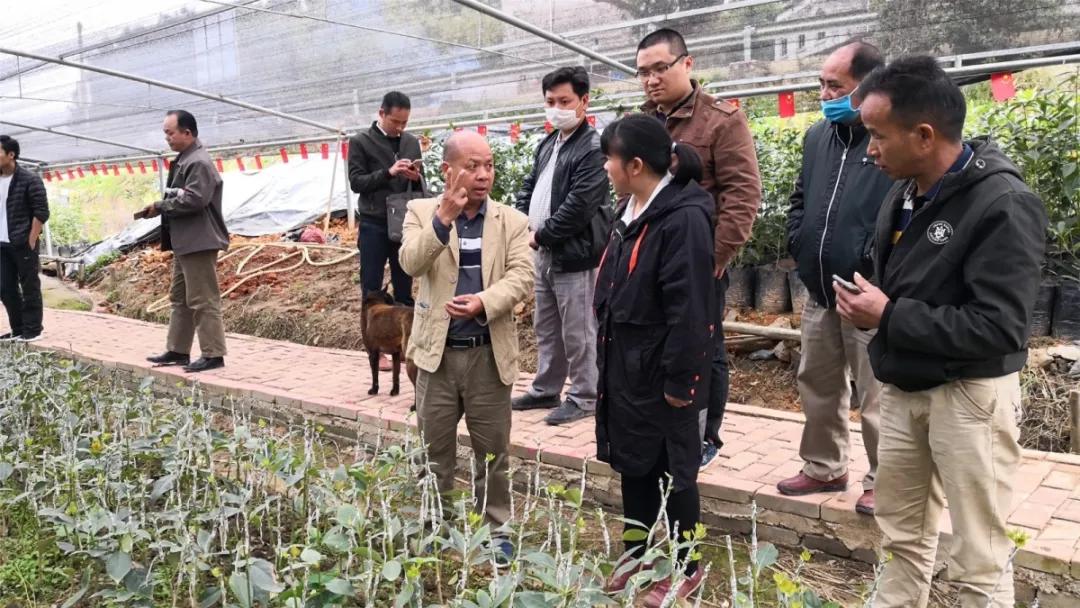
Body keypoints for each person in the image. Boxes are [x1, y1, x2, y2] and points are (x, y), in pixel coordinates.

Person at [840, 56, 1047, 607]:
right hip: (907, 387)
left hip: (968, 398)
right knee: (902, 536)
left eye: (878, 135)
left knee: (977, 550)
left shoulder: (1003, 204)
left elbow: (1001, 328)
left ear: (924, 134)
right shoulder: (905, 191)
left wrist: (887, 316)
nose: (870, 150)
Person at [594, 115, 715, 606]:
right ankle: (637, 554)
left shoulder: (682, 219)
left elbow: (690, 308)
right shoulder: (631, 210)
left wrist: (680, 380)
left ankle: (687, 567)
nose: (605, 167)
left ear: (635, 164)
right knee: (634, 463)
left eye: (609, 158)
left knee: (675, 471)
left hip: (663, 372)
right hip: (627, 366)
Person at [399, 131, 533, 559]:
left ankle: (495, 531)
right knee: (434, 451)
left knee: (492, 453)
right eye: (472, 166)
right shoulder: (421, 211)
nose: (483, 175)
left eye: (488, 165)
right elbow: (410, 263)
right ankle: (436, 526)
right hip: (437, 357)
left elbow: (522, 276)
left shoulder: (511, 220)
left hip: (488, 355)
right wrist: (443, 219)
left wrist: (483, 302)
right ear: (448, 171)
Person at [636, 28, 761, 465]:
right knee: (659, 340)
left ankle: (706, 434)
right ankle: (664, 420)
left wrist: (716, 259)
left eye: (659, 68)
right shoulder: (644, 121)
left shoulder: (721, 120)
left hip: (697, 261)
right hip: (649, 260)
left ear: (686, 64)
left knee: (705, 346)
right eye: (643, 72)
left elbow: (742, 195)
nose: (651, 79)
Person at [778, 42, 891, 516]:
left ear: (867, 87)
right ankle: (825, 467)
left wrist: (872, 264)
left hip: (868, 292)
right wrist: (798, 243)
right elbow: (801, 199)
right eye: (822, 84)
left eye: (835, 87)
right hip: (821, 287)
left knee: (877, 393)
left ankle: (884, 481)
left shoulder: (886, 137)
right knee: (818, 381)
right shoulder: (818, 137)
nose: (825, 94)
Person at [511, 66, 610, 426]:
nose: (556, 107)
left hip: (576, 253)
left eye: (564, 101)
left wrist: (541, 234)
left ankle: (585, 395)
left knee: (579, 328)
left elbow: (580, 205)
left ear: (584, 101)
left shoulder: (593, 147)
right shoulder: (549, 143)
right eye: (550, 101)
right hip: (543, 252)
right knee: (547, 325)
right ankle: (546, 388)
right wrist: (522, 221)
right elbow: (529, 186)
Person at [140, 110, 229, 373]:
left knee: (203, 299)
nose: (167, 138)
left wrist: (161, 205)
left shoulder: (198, 162)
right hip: (186, 241)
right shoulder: (185, 159)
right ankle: (178, 350)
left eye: (170, 132)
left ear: (187, 133)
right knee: (180, 298)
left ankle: (213, 354)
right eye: (166, 133)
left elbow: (195, 199)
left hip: (199, 241)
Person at [349, 91, 425, 371]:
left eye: (404, 122)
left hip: (403, 222)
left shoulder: (410, 142)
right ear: (381, 113)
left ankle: (405, 344)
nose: (400, 128)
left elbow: (419, 187)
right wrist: (389, 173)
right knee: (371, 289)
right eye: (396, 121)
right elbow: (357, 182)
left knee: (404, 284)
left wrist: (415, 177)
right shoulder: (361, 142)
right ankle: (375, 350)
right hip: (373, 222)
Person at [0, 135, 49, 343]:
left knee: (29, 286)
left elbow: (41, 212)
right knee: (5, 287)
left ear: (11, 155)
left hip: (22, 242)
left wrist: (31, 239)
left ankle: (33, 329)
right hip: (1, 244)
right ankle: (18, 328)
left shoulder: (29, 179)